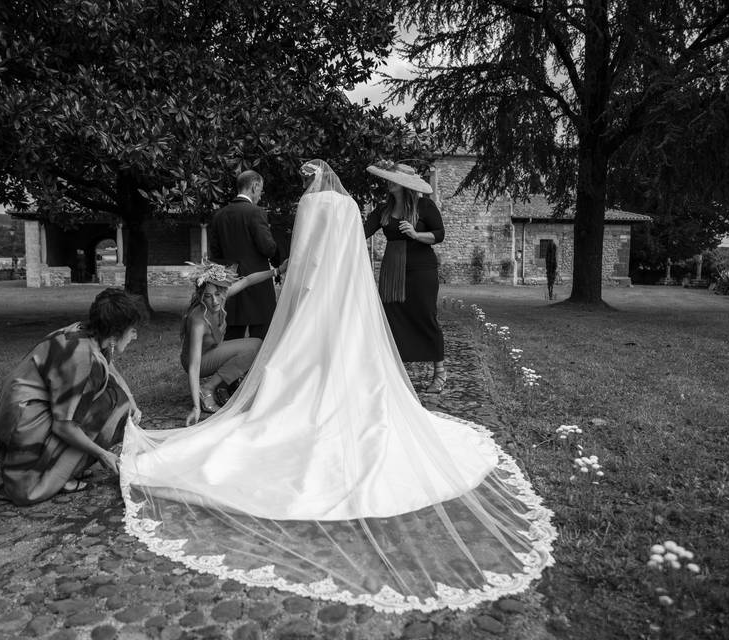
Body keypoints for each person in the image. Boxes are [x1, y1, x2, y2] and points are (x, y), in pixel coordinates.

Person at [119, 160, 554, 613]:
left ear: (311, 181)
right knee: (343, 354)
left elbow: (305, 256)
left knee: (292, 357)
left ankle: (272, 396)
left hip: (316, 293)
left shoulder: (309, 205)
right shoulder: (348, 208)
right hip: (348, 295)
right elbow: (350, 250)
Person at [0, 288, 145, 506]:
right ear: (115, 335)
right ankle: (55, 475)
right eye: (132, 331)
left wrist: (133, 405)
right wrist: (102, 454)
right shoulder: (83, 357)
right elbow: (63, 427)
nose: (134, 336)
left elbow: (113, 372)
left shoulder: (88, 333)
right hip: (23, 420)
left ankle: (60, 466)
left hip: (23, 407)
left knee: (120, 402)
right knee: (111, 409)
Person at [364, 161, 447, 393]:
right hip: (392, 269)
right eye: (389, 179)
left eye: (394, 179)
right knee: (393, 317)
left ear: (405, 185)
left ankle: (440, 372)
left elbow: (439, 235)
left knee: (425, 315)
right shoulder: (383, 209)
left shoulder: (425, 206)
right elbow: (361, 232)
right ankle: (396, 372)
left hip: (421, 269)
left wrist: (416, 234)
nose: (389, 182)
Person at [181, 259, 288, 425]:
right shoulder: (198, 321)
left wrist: (277, 271)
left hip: (211, 351)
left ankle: (223, 383)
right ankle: (207, 388)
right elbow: (193, 366)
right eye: (208, 296)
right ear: (201, 296)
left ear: (223, 291)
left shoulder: (221, 298)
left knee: (256, 345)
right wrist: (195, 407)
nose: (215, 301)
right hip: (197, 361)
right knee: (252, 348)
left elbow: (247, 280)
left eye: (218, 294)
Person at [208, 170, 279, 340]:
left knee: (233, 334)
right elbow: (268, 248)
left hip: (230, 282)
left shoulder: (219, 216)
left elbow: (215, 254)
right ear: (254, 186)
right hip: (258, 283)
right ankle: (257, 367)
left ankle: (231, 366)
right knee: (261, 336)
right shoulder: (256, 212)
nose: (260, 196)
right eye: (260, 190)